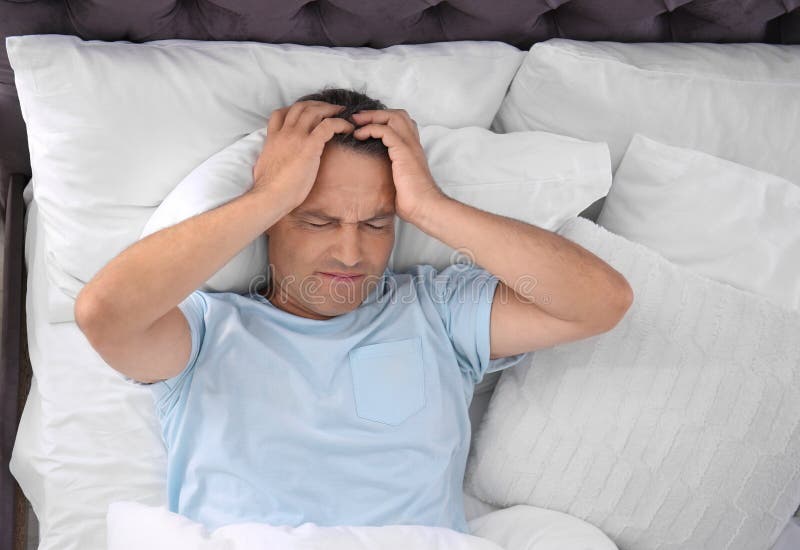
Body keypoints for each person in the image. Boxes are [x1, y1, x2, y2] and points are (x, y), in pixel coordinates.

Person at [74, 86, 633, 534]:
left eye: (375, 224)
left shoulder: (435, 312)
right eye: (316, 221)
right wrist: (268, 195)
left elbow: (598, 303)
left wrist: (430, 206)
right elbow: (105, 312)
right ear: (270, 224)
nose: (350, 253)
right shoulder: (205, 329)